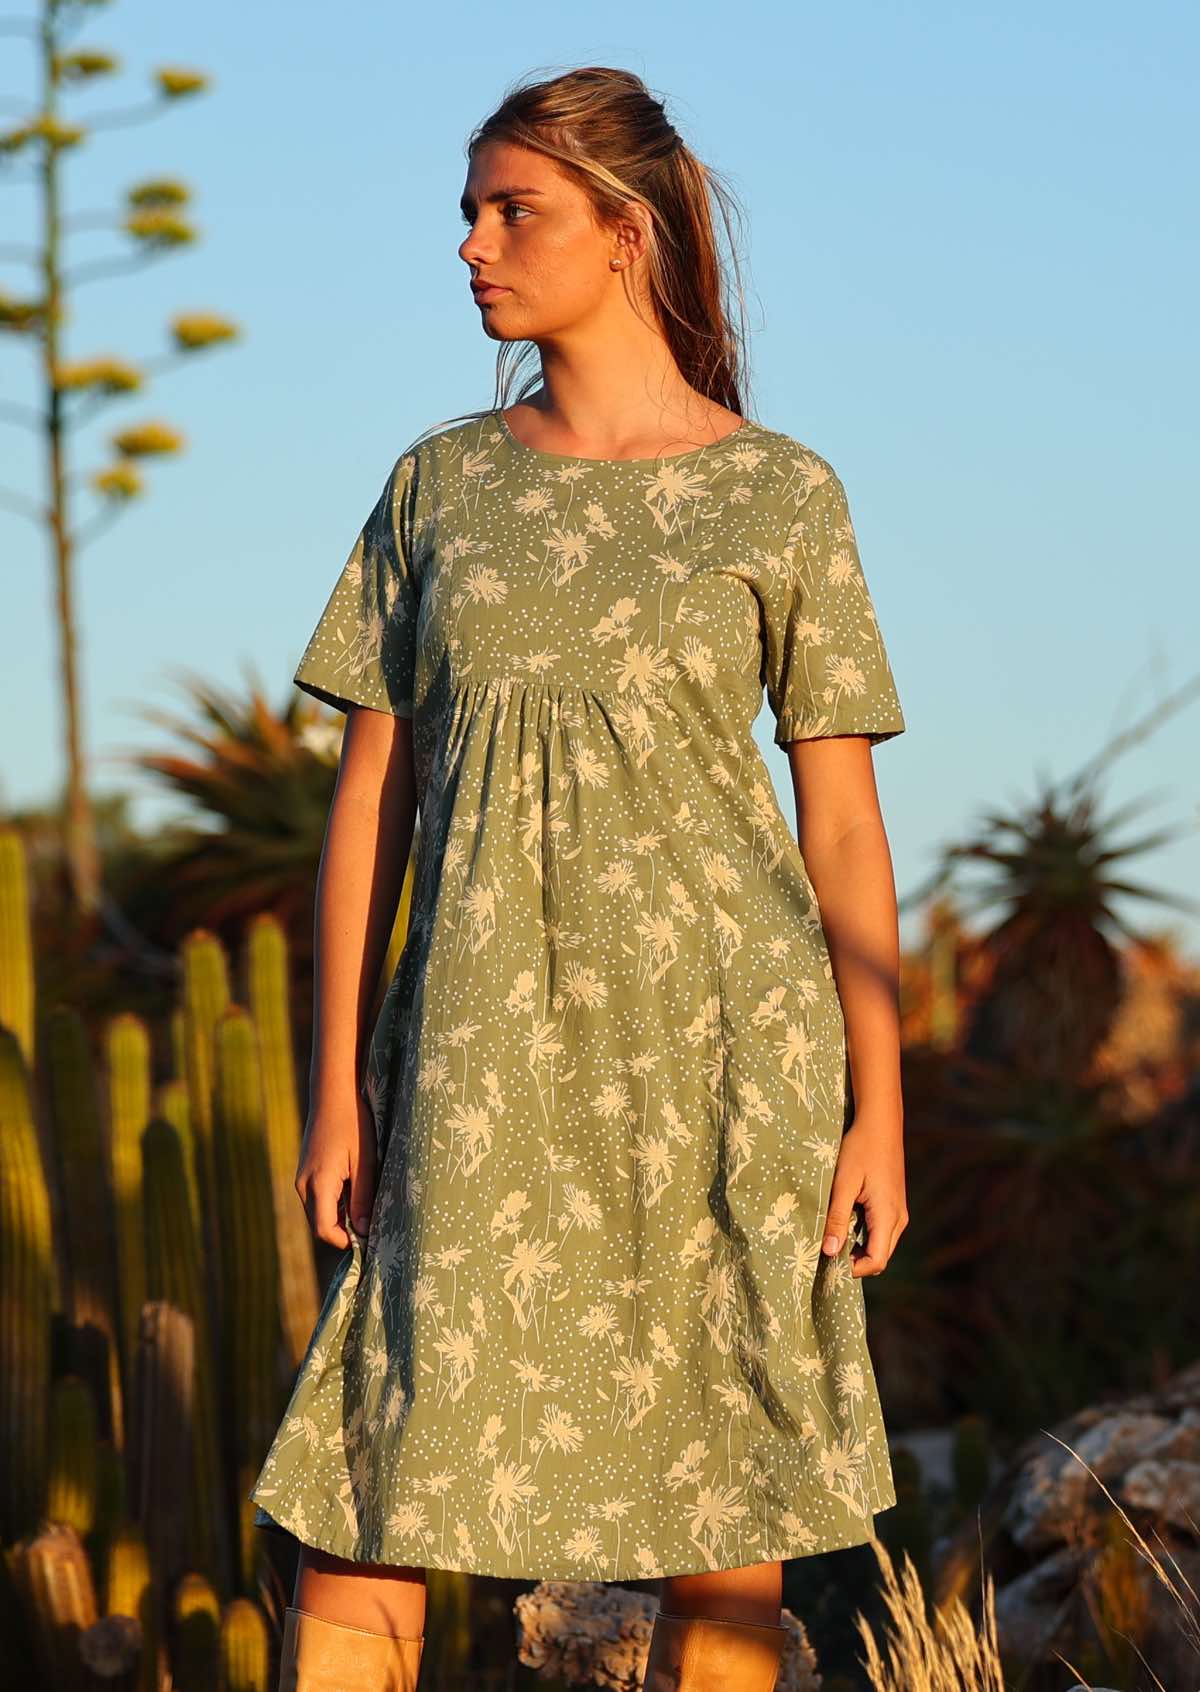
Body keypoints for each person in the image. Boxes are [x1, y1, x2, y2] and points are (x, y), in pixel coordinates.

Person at [251, 64, 910, 1692]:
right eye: (469, 211)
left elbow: (841, 825)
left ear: (624, 233)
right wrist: (335, 1084)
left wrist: (876, 1106)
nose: (473, 244)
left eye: (511, 209)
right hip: (473, 1069)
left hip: (720, 1062)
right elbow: (370, 811)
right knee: (373, 1492)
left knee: (720, 1513)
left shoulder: (780, 493)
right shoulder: (439, 488)